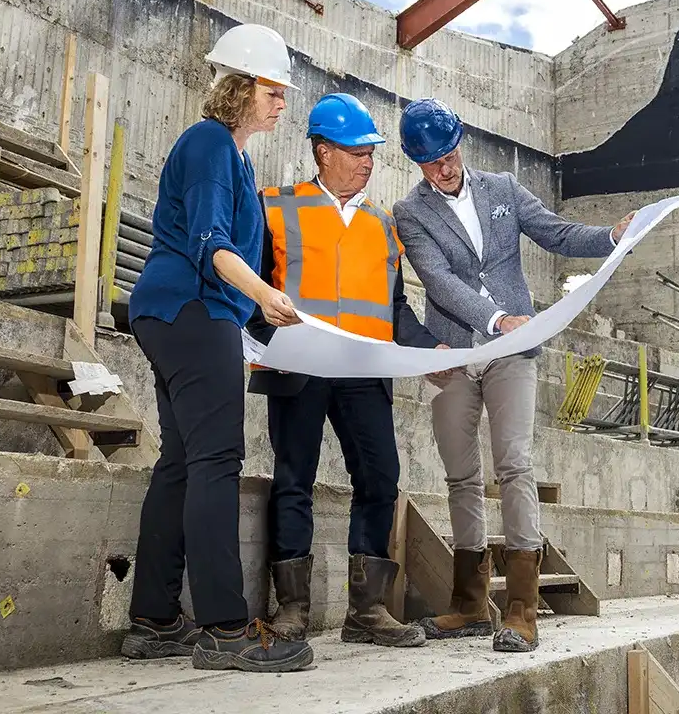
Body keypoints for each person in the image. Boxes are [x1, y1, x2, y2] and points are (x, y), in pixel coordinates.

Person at [391, 97, 635, 653]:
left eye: (449, 156)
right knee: (460, 475)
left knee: (515, 463)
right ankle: (470, 602)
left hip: (513, 351)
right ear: (416, 164)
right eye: (430, 164)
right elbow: (438, 282)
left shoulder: (502, 188)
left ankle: (522, 606)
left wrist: (610, 237)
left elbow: (556, 233)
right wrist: (495, 319)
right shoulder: (410, 213)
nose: (444, 169)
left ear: (460, 145)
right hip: (454, 352)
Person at [119, 23, 314, 673]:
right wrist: (262, 295)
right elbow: (210, 243)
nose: (283, 104)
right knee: (216, 460)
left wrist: (257, 321)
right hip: (189, 310)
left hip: (181, 314)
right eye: (273, 91)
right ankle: (227, 631)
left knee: (181, 461)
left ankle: (153, 619)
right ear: (238, 87)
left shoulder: (234, 157)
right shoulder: (209, 144)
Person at [245, 92, 443, 649]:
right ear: (322, 151)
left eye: (371, 152)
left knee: (381, 479)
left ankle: (367, 611)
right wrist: (262, 343)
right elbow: (253, 290)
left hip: (363, 368)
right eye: (356, 150)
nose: (367, 161)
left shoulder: (384, 224)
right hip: (300, 363)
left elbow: (396, 307)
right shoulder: (275, 206)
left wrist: (431, 352)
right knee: (293, 480)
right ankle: (292, 610)